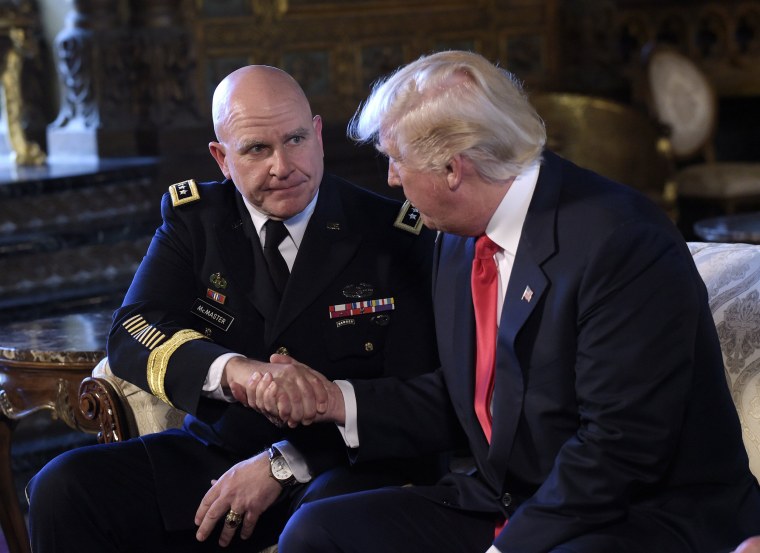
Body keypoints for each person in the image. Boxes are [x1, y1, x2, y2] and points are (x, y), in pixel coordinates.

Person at [244, 50, 760, 553]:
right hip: (509, 501)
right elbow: (470, 397)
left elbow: (619, 449)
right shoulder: (456, 235)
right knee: (319, 530)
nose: (392, 179)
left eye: (396, 160)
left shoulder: (620, 241)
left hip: (639, 514)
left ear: (452, 168)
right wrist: (340, 402)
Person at [26, 64, 441, 551]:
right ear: (222, 158)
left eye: (295, 139)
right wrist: (237, 374)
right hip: (217, 456)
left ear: (320, 135)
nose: (283, 165)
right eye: (257, 149)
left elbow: (420, 396)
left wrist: (283, 462)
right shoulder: (195, 222)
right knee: (64, 486)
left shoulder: (394, 234)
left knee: (320, 525)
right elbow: (133, 330)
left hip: (342, 464)